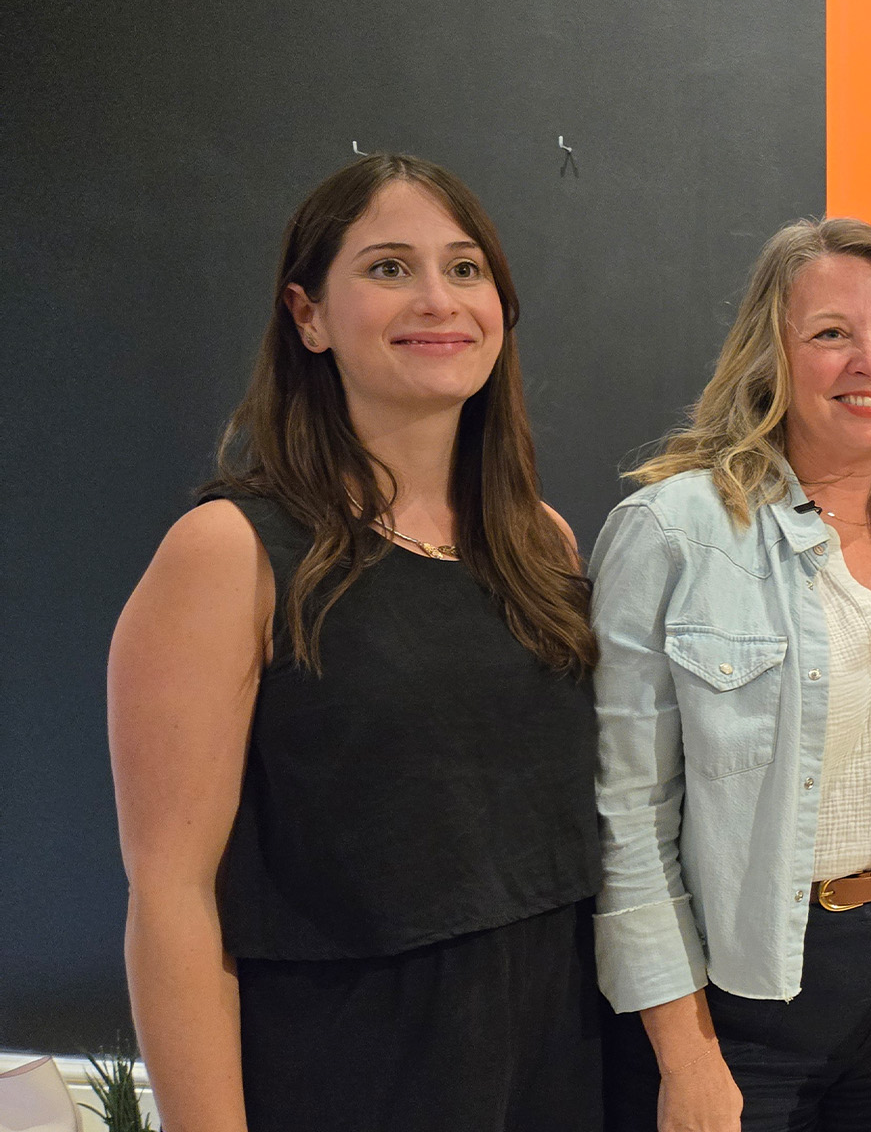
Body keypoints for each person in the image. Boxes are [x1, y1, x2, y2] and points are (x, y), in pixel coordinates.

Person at [107, 154, 603, 1131]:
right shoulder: (228, 553)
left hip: (563, 1061)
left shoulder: (540, 541)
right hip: (355, 1074)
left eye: (465, 269)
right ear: (309, 317)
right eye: (388, 268)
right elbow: (171, 901)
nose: (438, 300)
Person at [591, 217, 871, 1131]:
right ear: (772, 360)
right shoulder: (674, 532)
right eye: (831, 333)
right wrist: (686, 1060)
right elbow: (626, 816)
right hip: (740, 1013)